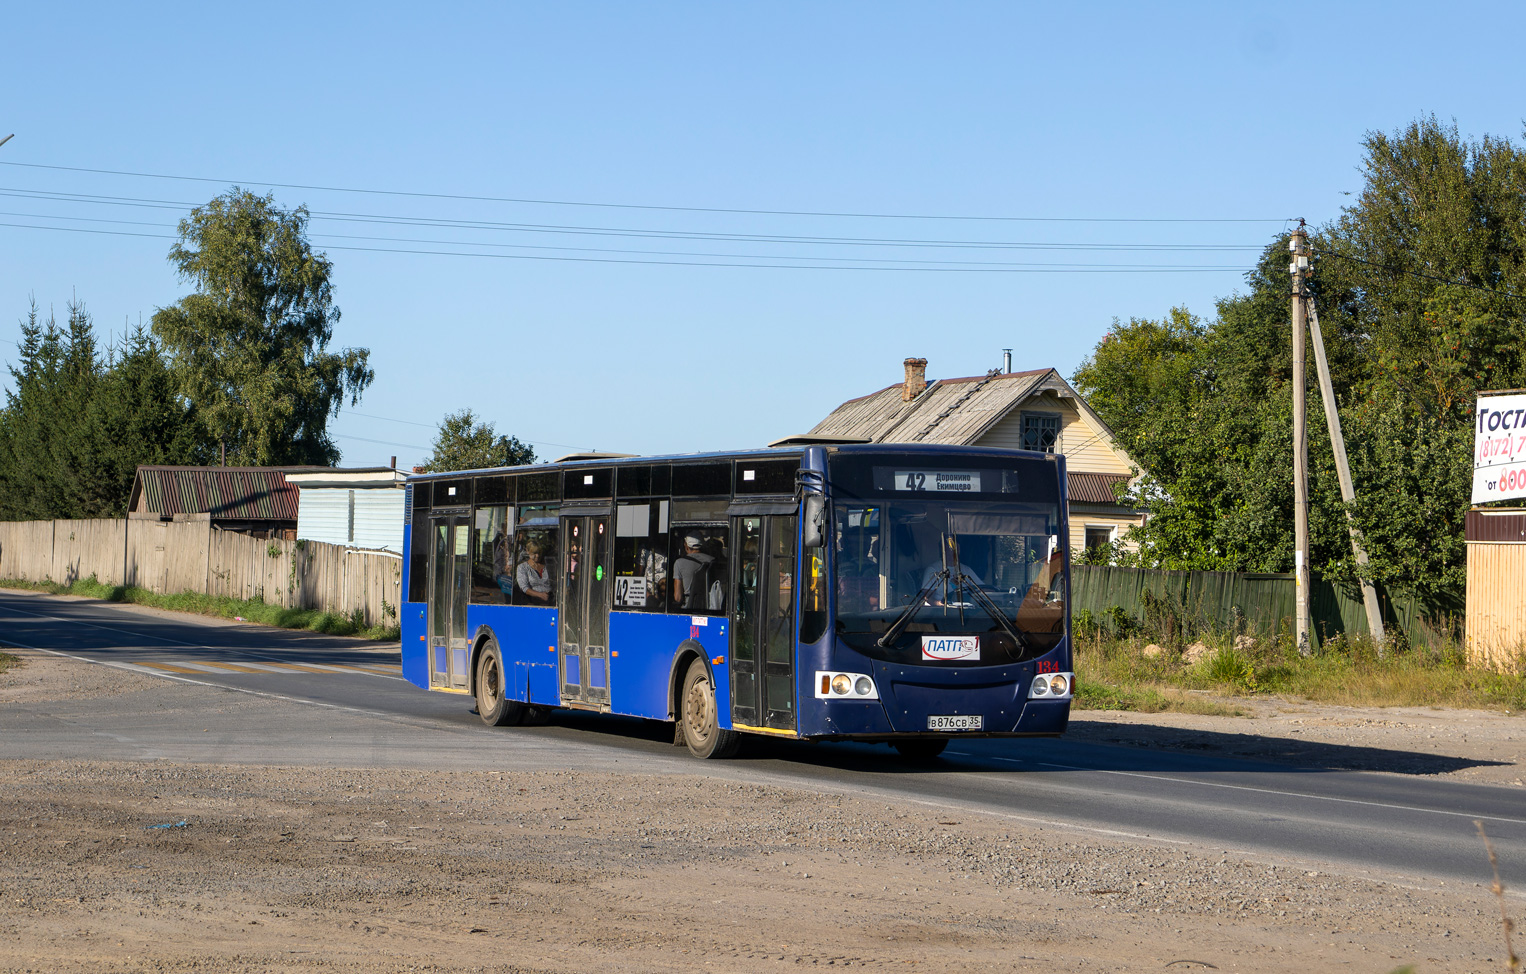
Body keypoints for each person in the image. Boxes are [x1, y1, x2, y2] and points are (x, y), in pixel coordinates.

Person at [671, 534, 715, 611]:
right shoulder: (712, 560)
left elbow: (678, 597)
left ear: (686, 545)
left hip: (689, 608)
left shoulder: (679, 563)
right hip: (710, 607)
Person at [516, 539, 554, 604]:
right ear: (528, 551)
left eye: (539, 553)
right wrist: (540, 595)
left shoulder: (548, 566)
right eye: (534, 553)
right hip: (533, 602)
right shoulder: (522, 567)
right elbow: (524, 588)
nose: (537, 556)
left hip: (551, 600)